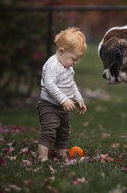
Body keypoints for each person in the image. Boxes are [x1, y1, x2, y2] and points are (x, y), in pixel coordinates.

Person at [37, 27, 87, 161]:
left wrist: (78, 99)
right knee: (49, 130)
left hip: (63, 107)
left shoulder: (68, 67)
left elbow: (71, 84)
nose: (75, 63)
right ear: (61, 51)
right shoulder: (52, 65)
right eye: (73, 58)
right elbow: (49, 85)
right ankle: (42, 158)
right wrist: (64, 100)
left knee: (64, 132)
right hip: (49, 106)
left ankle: (62, 155)